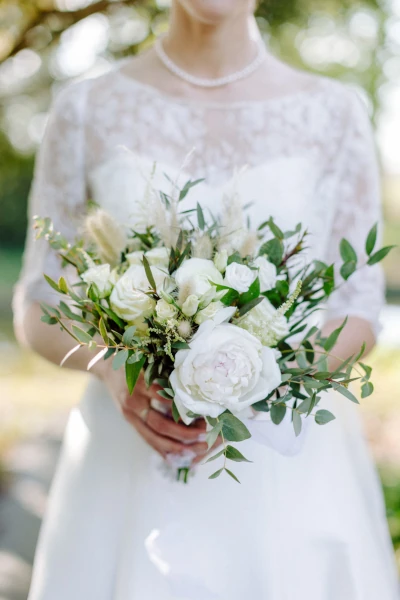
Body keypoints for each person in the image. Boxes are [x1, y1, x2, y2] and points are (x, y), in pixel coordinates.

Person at [13, 1, 399, 598]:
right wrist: (115, 368)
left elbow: (358, 306)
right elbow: (38, 303)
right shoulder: (87, 107)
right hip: (126, 459)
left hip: (289, 469)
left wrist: (252, 389)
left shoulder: (335, 111)